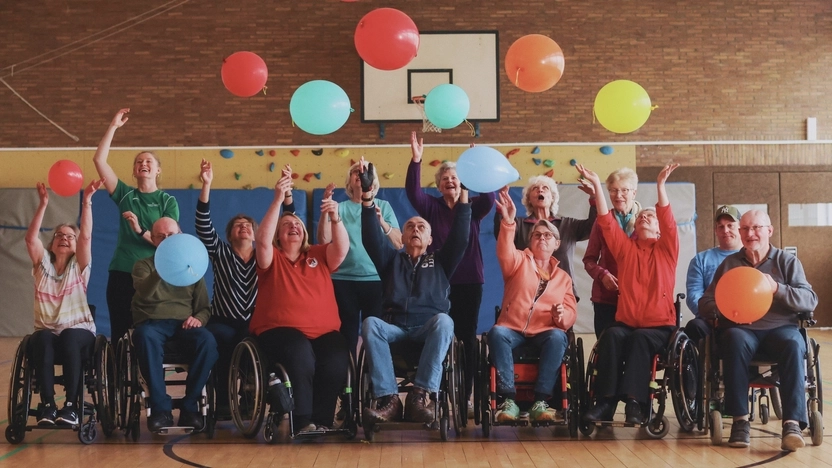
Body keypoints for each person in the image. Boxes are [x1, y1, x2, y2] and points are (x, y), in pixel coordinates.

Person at [361, 162, 471, 424]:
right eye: (410, 226)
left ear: (431, 239)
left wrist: (464, 194)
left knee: (446, 321)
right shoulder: (392, 260)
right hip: (395, 328)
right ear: (402, 235)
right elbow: (370, 238)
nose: (415, 230)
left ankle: (420, 395)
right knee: (370, 323)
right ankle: (389, 400)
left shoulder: (441, 261)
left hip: (427, 329)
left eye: (422, 227)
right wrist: (366, 198)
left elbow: (461, 236)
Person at [699, 210, 817, 451]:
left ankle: (792, 424)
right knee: (731, 338)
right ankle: (740, 421)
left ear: (769, 231)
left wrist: (777, 289)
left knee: (795, 344)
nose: (750, 233)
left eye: (756, 228)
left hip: (780, 329)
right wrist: (726, 304)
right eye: (745, 229)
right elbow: (705, 303)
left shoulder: (787, 261)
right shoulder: (729, 264)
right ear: (740, 233)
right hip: (742, 329)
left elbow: (809, 299)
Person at [580, 163, 680, 425]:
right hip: (627, 322)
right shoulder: (625, 249)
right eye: (642, 216)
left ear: (659, 230)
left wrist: (660, 186)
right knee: (611, 336)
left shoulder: (667, 250)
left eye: (651, 216)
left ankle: (636, 403)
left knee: (640, 340)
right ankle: (605, 403)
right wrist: (598, 189)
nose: (646, 217)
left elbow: (668, 218)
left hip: (658, 326)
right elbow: (605, 221)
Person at [249, 174, 351, 432]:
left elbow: (341, 249)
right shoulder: (271, 258)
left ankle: (323, 422)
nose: (293, 225)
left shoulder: (318, 253)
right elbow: (261, 240)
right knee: (300, 351)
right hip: (279, 332)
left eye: (297, 223)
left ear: (305, 232)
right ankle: (304, 421)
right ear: (278, 235)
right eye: (286, 224)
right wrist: (277, 201)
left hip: (325, 332)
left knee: (337, 356)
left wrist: (336, 218)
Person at [195, 160, 294, 417]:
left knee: (256, 341)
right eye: (238, 225)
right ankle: (226, 399)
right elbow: (203, 224)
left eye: (248, 225)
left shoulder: (267, 255)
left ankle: (250, 393)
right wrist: (206, 185)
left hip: (256, 320)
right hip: (222, 320)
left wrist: (287, 194)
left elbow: (289, 225)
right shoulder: (220, 251)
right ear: (230, 235)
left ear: (255, 233)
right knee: (222, 342)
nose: (244, 226)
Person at [408, 131, 494, 415]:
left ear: (462, 183)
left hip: (470, 280)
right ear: (439, 185)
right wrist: (416, 161)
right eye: (444, 178)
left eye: (455, 177)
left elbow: (490, 197)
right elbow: (413, 193)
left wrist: (477, 168)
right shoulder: (431, 207)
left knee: (467, 338)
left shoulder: (472, 207)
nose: (450, 181)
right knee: (440, 337)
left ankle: (466, 397)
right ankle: (435, 392)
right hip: (439, 282)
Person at [489, 187, 577, 423]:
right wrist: (508, 222)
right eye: (537, 235)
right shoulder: (517, 261)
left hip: (544, 331)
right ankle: (508, 400)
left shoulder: (563, 278)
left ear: (557, 243)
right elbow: (504, 250)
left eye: (547, 235)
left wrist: (562, 316)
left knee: (559, 337)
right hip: (513, 328)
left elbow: (570, 314)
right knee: (497, 333)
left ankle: (541, 401)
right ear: (530, 240)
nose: (542, 238)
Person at [93, 108, 179, 343]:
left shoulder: (167, 201)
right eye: (139, 161)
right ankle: (120, 378)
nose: (144, 163)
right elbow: (99, 160)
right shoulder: (124, 194)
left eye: (149, 161)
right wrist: (113, 126)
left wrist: (140, 230)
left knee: (147, 334)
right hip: (122, 272)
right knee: (120, 332)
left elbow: (168, 245)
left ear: (158, 170)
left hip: (153, 275)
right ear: (134, 170)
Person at [131, 217, 217, 433]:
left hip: (184, 326)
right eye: (161, 236)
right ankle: (161, 410)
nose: (167, 239)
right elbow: (143, 292)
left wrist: (199, 319)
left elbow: (204, 308)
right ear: (153, 239)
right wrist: (163, 266)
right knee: (144, 336)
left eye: (171, 235)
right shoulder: (143, 265)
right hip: (153, 324)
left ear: (180, 236)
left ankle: (190, 407)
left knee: (208, 341)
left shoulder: (193, 268)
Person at [27, 180, 102, 426]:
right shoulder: (42, 265)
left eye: (70, 236)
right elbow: (30, 240)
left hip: (78, 332)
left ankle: (71, 405)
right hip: (48, 331)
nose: (64, 238)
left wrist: (87, 201)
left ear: (75, 243)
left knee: (69, 335)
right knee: (43, 338)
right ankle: (48, 405)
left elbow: (87, 236)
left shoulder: (78, 266)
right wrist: (43, 204)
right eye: (59, 235)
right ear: (52, 243)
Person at [317, 156, 402, 356]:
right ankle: (347, 382)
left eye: (365, 172)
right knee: (347, 334)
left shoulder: (384, 206)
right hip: (343, 280)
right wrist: (325, 211)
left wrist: (381, 222)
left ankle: (373, 380)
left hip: (376, 280)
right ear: (349, 181)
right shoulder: (341, 207)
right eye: (356, 171)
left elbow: (398, 243)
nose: (360, 174)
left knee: (375, 333)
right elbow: (323, 240)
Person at [493, 172, 596, 298]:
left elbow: (594, 227)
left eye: (545, 188)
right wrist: (502, 213)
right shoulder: (517, 224)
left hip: (562, 293)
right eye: (535, 189)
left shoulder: (568, 225)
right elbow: (501, 238)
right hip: (527, 293)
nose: (540, 190)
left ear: (552, 197)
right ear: (529, 199)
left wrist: (594, 197)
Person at [583, 167, 641, 339]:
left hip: (637, 298)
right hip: (606, 298)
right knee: (607, 348)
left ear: (634, 193)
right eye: (613, 190)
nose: (618, 195)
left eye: (624, 190)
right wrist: (602, 274)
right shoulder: (602, 222)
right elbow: (589, 260)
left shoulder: (646, 221)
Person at [684, 205, 742, 342]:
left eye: (730, 225)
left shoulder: (751, 257)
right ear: (716, 230)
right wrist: (711, 315)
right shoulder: (701, 260)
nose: (725, 230)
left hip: (743, 321)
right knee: (694, 326)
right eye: (720, 227)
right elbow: (694, 294)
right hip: (709, 320)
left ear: (740, 227)